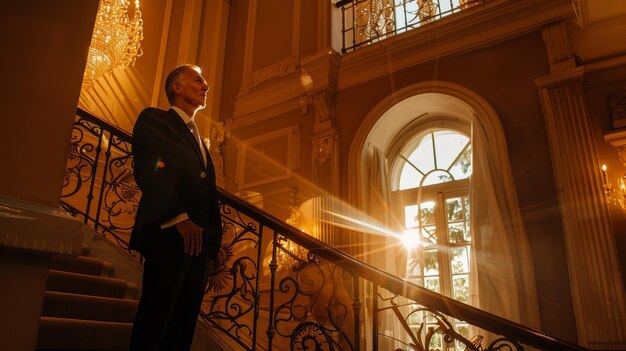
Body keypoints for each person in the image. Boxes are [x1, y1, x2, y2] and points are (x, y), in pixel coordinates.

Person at [128, 64, 222, 350]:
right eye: (198, 81)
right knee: (155, 320)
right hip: (170, 236)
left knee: (183, 327)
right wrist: (178, 217)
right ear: (177, 87)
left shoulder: (201, 142)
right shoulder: (155, 119)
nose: (206, 87)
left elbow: (208, 194)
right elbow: (150, 168)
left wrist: (213, 247)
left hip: (199, 246)